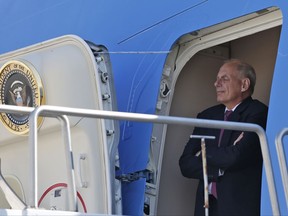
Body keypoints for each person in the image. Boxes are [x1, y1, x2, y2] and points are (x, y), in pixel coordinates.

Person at [179, 59, 268, 216]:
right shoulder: (206, 115)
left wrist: (203, 154)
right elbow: (185, 163)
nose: (216, 83)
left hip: (238, 207)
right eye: (217, 79)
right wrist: (219, 169)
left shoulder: (258, 113)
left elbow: (237, 156)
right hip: (205, 207)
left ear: (244, 85)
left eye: (224, 78)